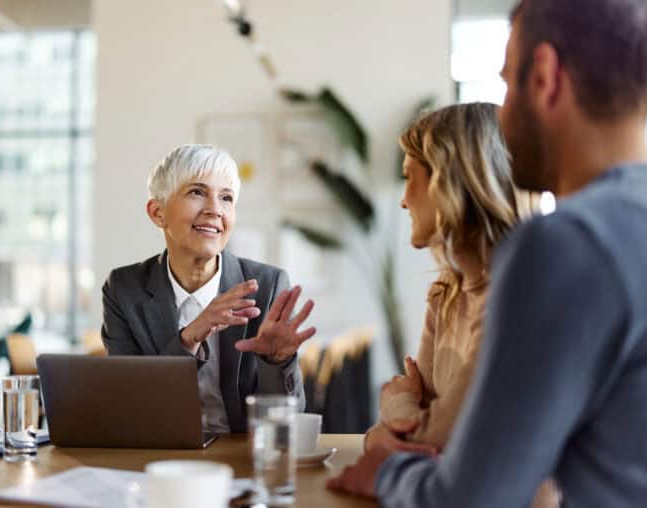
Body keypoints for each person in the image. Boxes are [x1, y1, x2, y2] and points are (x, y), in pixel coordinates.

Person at [327, 0, 647, 505]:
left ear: (544, 75)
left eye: (504, 82)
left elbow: (470, 497)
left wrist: (387, 472)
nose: (499, 114)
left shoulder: (566, 245)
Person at [363, 103, 555, 507]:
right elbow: (421, 438)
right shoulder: (446, 295)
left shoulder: (521, 297)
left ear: (448, 183)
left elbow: (428, 435)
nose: (403, 201)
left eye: (409, 179)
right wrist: (396, 429)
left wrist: (396, 404)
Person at [101, 144, 317, 433]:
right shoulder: (124, 289)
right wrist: (188, 338)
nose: (215, 210)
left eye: (226, 198)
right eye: (197, 192)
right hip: (160, 457)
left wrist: (277, 361)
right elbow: (129, 406)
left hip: (241, 458)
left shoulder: (267, 286)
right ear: (157, 212)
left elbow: (284, 424)